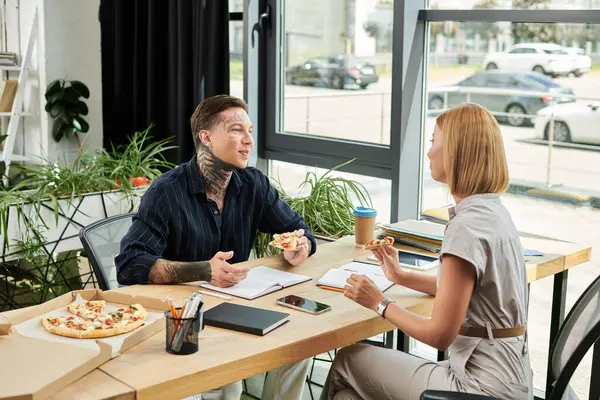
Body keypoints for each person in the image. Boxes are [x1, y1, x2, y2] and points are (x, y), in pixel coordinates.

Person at [320, 102, 533, 400]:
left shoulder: (465, 228)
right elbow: (460, 292)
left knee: (348, 360)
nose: (429, 151)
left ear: (456, 153)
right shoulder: (494, 212)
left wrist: (379, 303)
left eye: (434, 141)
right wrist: (399, 275)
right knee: (347, 396)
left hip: (477, 387)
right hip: (512, 379)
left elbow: (439, 335)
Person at [115, 94, 317, 400]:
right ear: (206, 137)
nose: (248, 140)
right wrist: (203, 270)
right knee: (221, 383)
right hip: (183, 322)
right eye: (237, 130)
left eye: (250, 131)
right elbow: (130, 265)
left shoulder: (253, 184)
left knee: (301, 345)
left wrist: (300, 246)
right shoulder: (166, 192)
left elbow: (299, 229)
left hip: (239, 310)